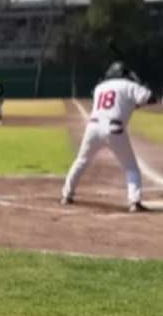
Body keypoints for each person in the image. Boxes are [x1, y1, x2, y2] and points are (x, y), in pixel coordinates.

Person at [61, 61, 154, 212]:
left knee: (81, 161)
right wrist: (142, 87)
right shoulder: (129, 86)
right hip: (114, 129)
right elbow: (150, 99)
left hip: (93, 128)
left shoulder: (100, 87)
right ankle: (134, 202)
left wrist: (136, 90)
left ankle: (66, 195)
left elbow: (123, 101)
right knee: (131, 168)